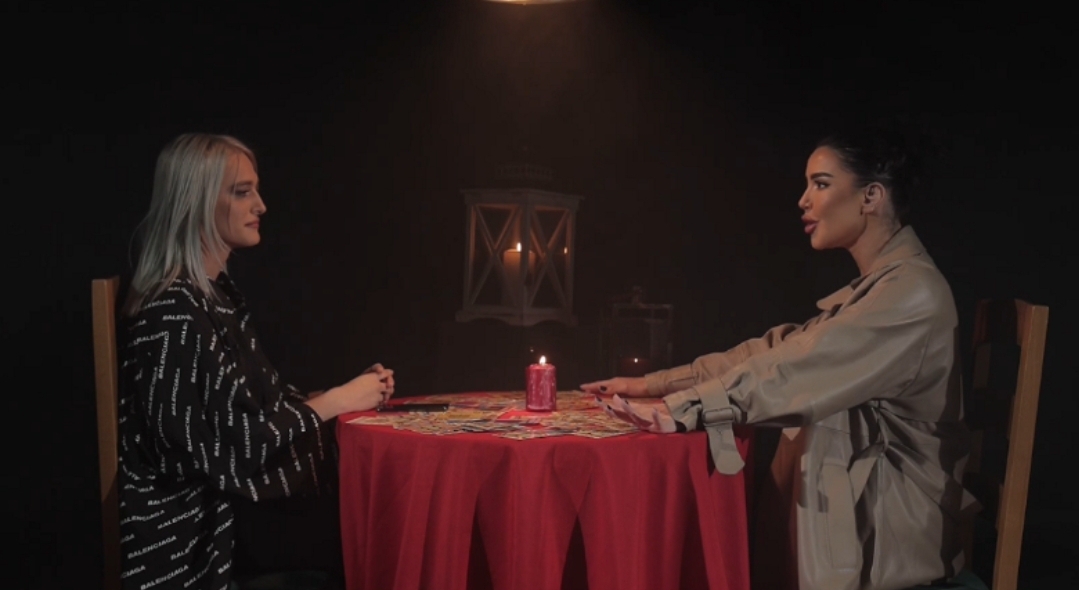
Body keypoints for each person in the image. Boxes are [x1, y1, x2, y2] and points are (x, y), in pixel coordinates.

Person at [582, 127, 977, 590]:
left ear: (871, 196)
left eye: (821, 184)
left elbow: (799, 369)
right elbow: (777, 350)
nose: (803, 200)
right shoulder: (880, 290)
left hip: (894, 545)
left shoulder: (911, 293)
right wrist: (654, 385)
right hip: (872, 528)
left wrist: (689, 408)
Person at [117, 133, 394, 590]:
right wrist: (338, 401)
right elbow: (232, 450)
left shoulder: (213, 298)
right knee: (374, 530)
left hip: (237, 509)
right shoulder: (173, 313)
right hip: (203, 532)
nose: (261, 205)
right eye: (242, 192)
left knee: (373, 513)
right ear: (197, 202)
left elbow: (254, 406)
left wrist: (338, 395)